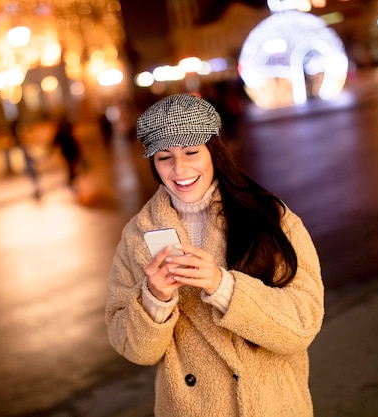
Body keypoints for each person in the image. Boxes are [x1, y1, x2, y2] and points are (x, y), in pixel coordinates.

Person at [105, 93, 324, 416]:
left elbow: (304, 325)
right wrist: (155, 299)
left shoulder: (269, 216)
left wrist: (224, 287)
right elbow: (135, 350)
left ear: (214, 152)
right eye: (164, 157)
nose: (179, 170)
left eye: (191, 152)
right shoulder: (138, 235)